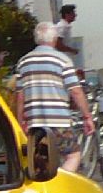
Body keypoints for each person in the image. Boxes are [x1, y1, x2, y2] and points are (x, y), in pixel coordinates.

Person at [14, 21, 94, 173]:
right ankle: (61, 182)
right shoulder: (62, 60)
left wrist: (20, 122)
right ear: (55, 39)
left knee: (41, 162)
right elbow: (76, 91)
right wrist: (87, 117)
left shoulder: (23, 62)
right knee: (73, 155)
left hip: (34, 125)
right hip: (59, 123)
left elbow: (20, 96)